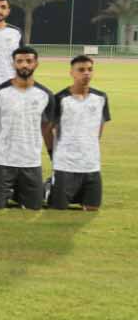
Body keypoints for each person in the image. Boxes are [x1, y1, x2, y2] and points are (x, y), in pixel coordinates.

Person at [0, 46, 55, 210]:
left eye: (29, 61)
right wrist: (1, 138)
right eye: (20, 61)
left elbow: (47, 125)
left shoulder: (45, 95)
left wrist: (34, 139)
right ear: (13, 64)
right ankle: (7, 192)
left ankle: (42, 188)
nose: (24, 65)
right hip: (3, 160)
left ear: (36, 64)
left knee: (34, 206)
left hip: (30, 160)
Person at [49, 55, 109, 211]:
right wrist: (53, 152)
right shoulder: (60, 98)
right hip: (65, 165)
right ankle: (48, 188)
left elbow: (100, 126)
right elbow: (49, 129)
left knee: (91, 208)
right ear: (72, 73)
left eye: (90, 70)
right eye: (81, 70)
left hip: (91, 165)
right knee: (58, 208)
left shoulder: (101, 98)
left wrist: (90, 145)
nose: (86, 73)